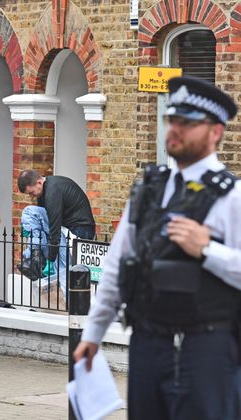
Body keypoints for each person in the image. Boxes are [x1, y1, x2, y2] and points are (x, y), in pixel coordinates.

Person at [74, 76, 241, 419]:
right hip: (149, 342)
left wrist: (207, 250)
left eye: (188, 123)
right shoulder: (149, 189)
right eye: (171, 120)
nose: (175, 129)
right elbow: (118, 265)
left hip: (206, 346)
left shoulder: (232, 196)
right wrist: (93, 333)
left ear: (215, 132)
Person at [17, 170, 96, 280]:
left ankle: (35, 257)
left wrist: (50, 259)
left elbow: (55, 228)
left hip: (79, 232)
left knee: (29, 212)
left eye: (31, 192)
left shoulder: (52, 191)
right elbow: (47, 224)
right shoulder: (45, 191)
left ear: (39, 182)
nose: (32, 196)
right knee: (59, 269)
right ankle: (35, 256)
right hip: (67, 229)